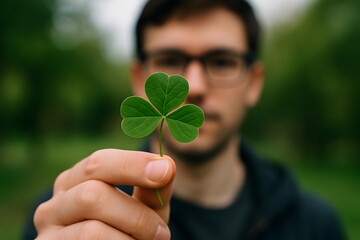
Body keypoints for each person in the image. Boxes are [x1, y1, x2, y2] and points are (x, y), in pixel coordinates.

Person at [23, 0, 346, 239]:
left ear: (254, 82)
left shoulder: (316, 224)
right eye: (170, 59)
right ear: (139, 79)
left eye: (221, 61)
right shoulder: (73, 214)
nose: (194, 87)